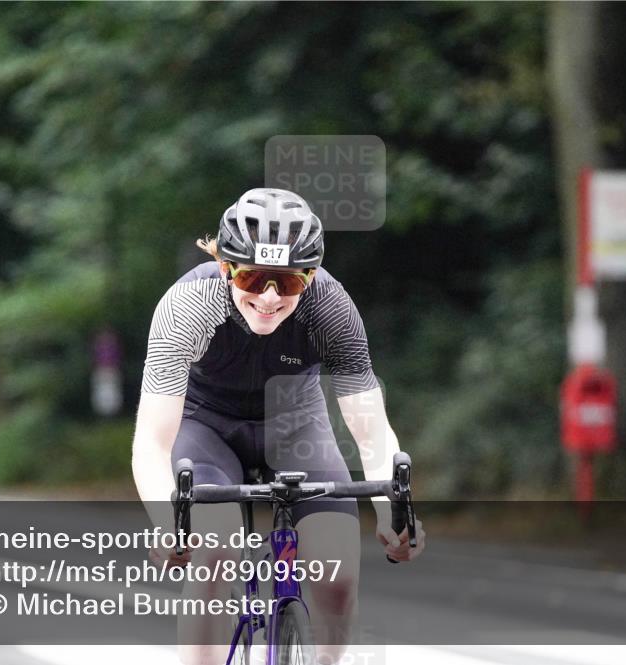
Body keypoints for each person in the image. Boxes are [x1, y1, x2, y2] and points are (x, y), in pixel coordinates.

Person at [131, 187, 425, 665]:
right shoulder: (188, 305)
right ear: (226, 268)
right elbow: (152, 441)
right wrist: (169, 524)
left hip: (296, 427)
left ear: (309, 278)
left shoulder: (330, 307)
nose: (268, 298)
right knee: (214, 552)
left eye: (287, 284)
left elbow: (369, 430)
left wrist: (393, 511)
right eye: (252, 278)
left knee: (338, 574)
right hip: (205, 429)